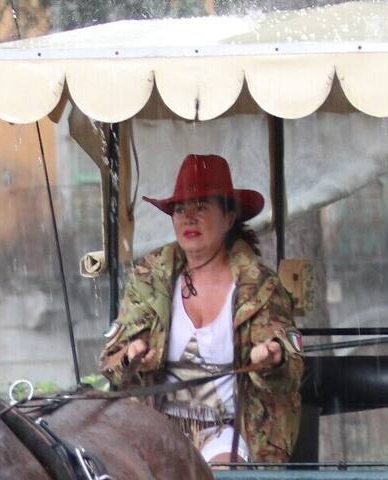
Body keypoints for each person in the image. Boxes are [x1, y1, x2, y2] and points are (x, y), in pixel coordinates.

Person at [98, 153, 304, 465]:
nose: (188, 218)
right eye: (180, 209)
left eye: (201, 207)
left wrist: (273, 360)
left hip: (228, 431)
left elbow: (290, 371)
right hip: (157, 431)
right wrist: (130, 356)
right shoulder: (150, 280)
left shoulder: (259, 287)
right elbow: (111, 363)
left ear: (229, 218)